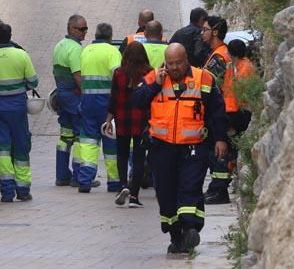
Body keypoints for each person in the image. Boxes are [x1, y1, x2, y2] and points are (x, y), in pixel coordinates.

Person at [131, 43, 228, 255]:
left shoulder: (203, 78)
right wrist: (154, 86)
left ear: (186, 60)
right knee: (165, 194)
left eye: (178, 63)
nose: (174, 67)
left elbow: (217, 110)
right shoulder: (154, 77)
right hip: (161, 148)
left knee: (190, 188)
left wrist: (220, 139)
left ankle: (191, 228)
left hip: (193, 148)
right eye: (170, 63)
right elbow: (136, 101)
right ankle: (176, 235)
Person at [0, 21, 39, 202]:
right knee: (21, 147)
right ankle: (24, 190)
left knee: (2, 149)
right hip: (18, 109)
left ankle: (7, 191)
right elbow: (33, 82)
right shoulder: (22, 55)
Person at [202, 18, 251, 204]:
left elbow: (211, 84)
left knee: (219, 151)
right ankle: (217, 188)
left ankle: (219, 189)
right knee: (218, 151)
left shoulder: (220, 56)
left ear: (214, 32)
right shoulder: (219, 54)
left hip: (225, 111)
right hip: (225, 109)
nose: (201, 33)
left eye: (205, 30)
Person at [73, 23, 123, 193]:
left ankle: (85, 179)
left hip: (87, 101)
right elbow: (118, 75)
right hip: (107, 103)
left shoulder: (86, 50)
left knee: (88, 141)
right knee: (111, 142)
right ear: (110, 36)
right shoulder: (112, 52)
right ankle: (114, 181)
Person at [104, 40, 153, 208]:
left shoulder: (119, 73)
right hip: (142, 120)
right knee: (139, 158)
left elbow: (114, 98)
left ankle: (123, 185)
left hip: (122, 118)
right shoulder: (149, 73)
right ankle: (134, 195)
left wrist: (109, 119)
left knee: (122, 154)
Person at [52, 14, 87, 186]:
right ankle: (79, 176)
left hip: (62, 96)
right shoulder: (75, 49)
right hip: (74, 96)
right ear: (71, 28)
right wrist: (87, 96)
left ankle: (62, 175)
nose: (84, 32)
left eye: (86, 28)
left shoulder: (59, 45)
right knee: (81, 135)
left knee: (65, 136)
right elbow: (78, 76)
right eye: (81, 29)